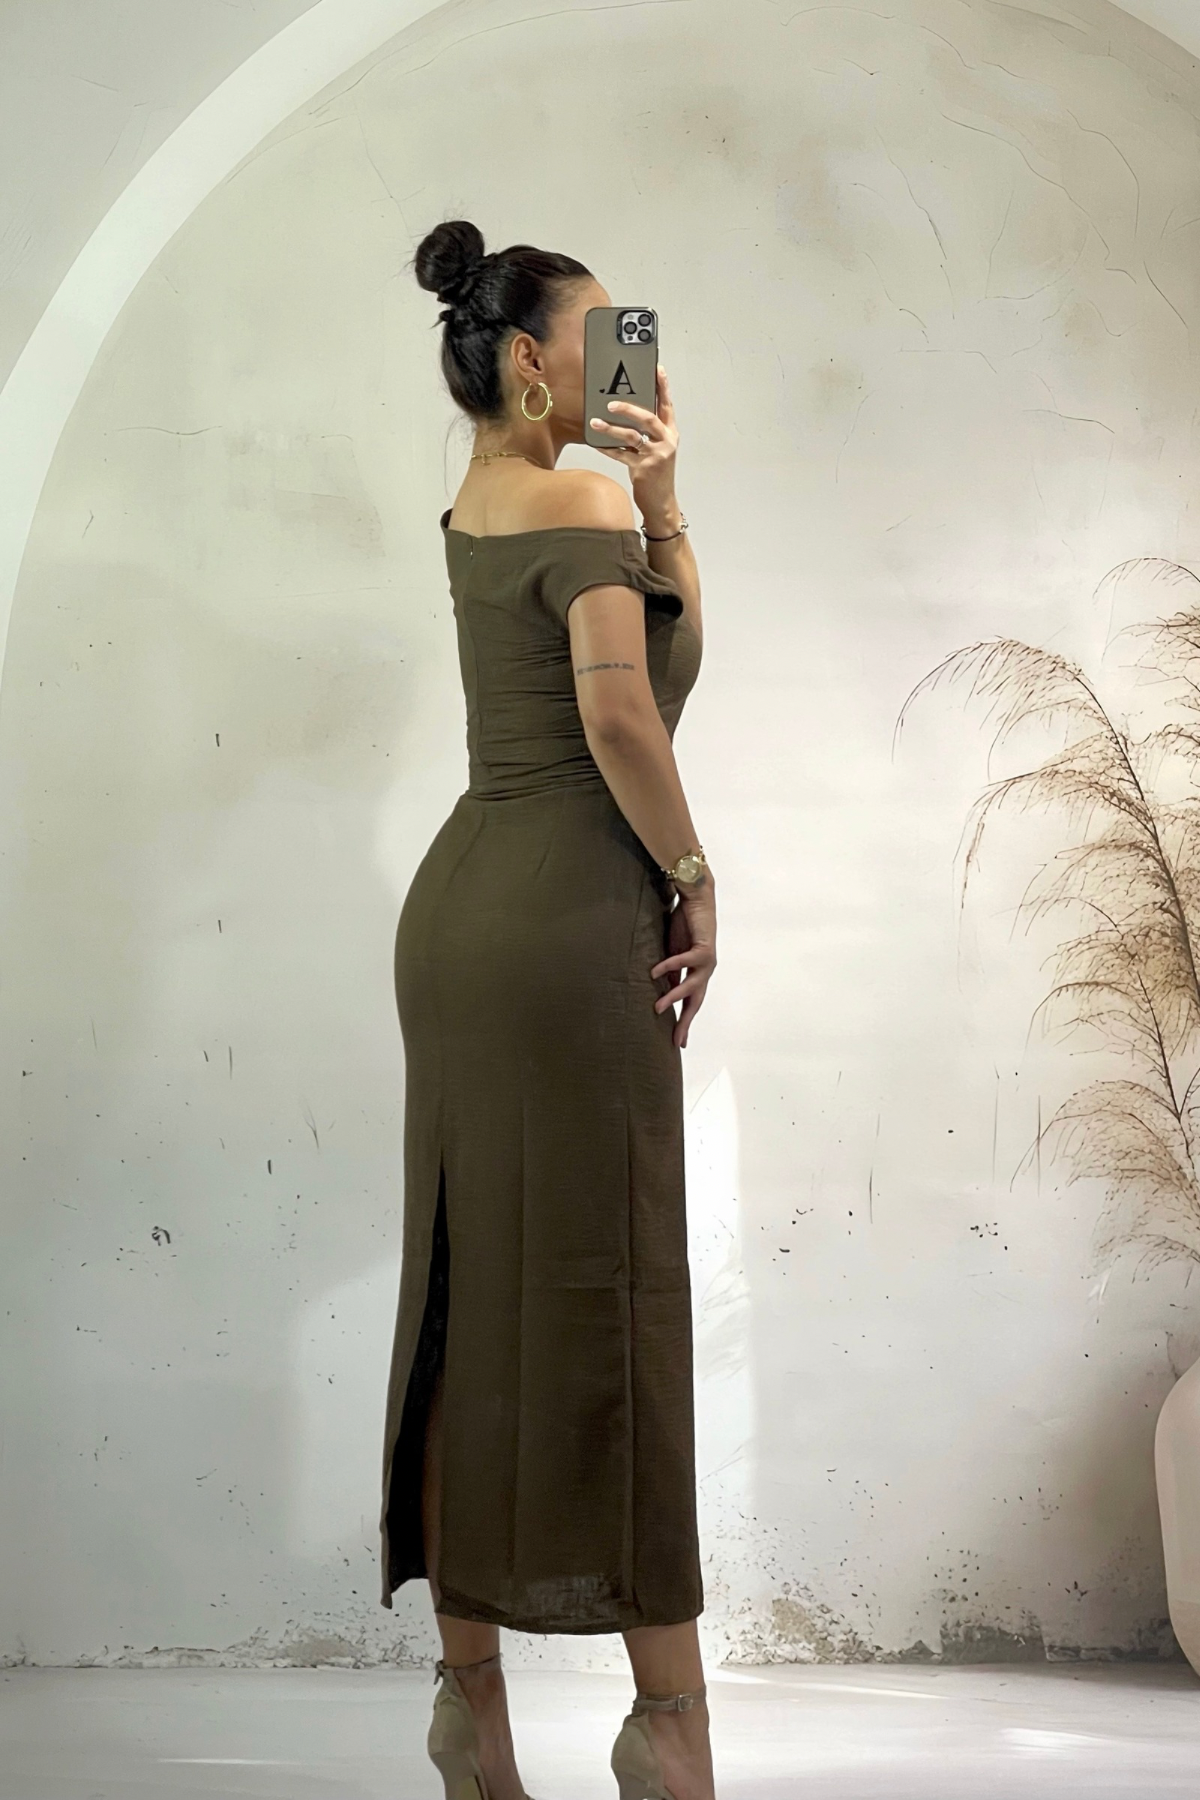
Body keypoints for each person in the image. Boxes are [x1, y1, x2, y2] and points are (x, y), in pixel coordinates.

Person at [378, 218, 718, 1800]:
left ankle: (471, 1713)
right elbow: (625, 716)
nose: (625, 357)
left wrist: (662, 497)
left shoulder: (485, 498)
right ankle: (669, 1732)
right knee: (614, 1297)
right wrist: (694, 876)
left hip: (463, 919)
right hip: (570, 927)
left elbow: (641, 661)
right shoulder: (574, 498)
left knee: (471, 1294)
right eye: (599, 335)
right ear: (529, 358)